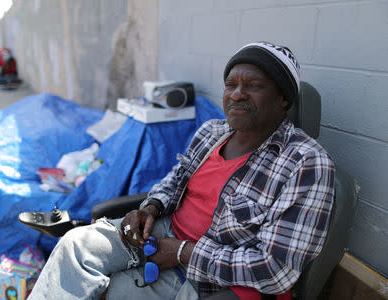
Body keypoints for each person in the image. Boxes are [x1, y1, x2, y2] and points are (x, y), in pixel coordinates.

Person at [28, 42, 335, 300]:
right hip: (163, 233)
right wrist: (151, 207)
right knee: (74, 246)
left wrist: (183, 252)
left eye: (253, 86)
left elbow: (274, 269)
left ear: (283, 98)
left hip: (208, 276)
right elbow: (175, 180)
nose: (237, 94)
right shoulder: (212, 131)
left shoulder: (306, 164)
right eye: (231, 85)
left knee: (111, 289)